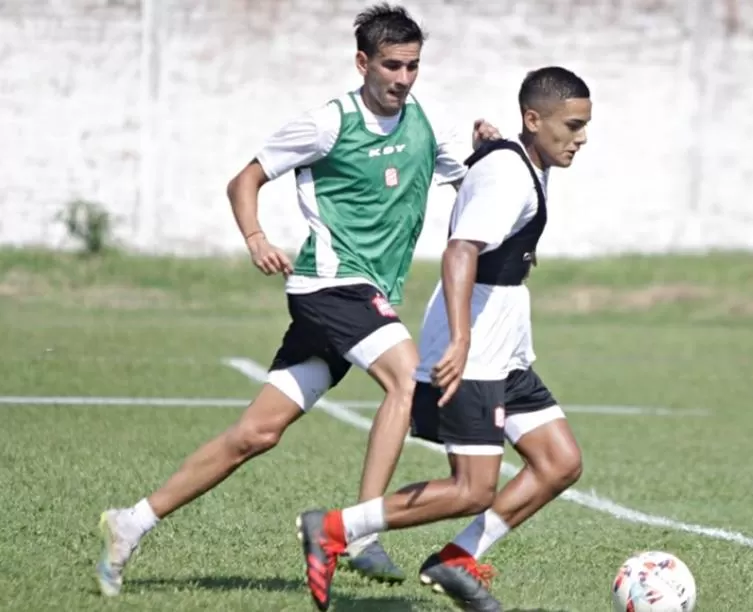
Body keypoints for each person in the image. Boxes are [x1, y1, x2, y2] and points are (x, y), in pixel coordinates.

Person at [95, 2, 502, 597]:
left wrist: (487, 154)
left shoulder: (424, 126)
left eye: (413, 66)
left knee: (255, 435)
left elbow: (469, 184)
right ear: (362, 62)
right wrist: (257, 238)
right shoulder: (327, 123)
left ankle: (130, 522)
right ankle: (361, 531)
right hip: (329, 286)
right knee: (405, 381)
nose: (403, 78)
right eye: (391, 65)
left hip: (361, 299)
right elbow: (244, 181)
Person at [295, 66, 592, 612]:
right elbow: (460, 251)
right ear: (534, 119)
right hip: (474, 340)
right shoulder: (509, 174)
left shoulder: (524, 158)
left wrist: (493, 143)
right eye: (572, 126)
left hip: (503, 340)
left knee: (559, 461)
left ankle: (456, 560)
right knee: (472, 488)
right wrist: (459, 339)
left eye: (584, 126)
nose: (581, 138)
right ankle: (333, 527)